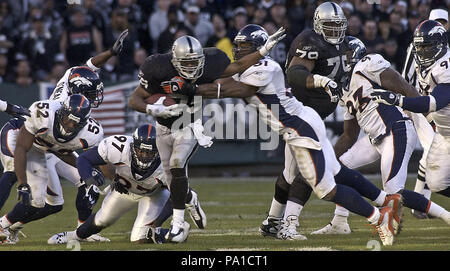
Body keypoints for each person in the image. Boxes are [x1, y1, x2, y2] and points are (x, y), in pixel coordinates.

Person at [190, 24, 399, 246]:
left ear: (259, 48)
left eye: (246, 46)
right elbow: (228, 76)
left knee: (326, 189)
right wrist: (195, 79)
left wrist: (190, 88)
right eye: (238, 46)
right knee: (332, 172)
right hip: (302, 122)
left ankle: (378, 216)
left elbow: (235, 89)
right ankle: (278, 223)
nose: (240, 50)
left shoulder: (265, 67)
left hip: (300, 128)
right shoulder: (249, 66)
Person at [127, 28, 286, 243]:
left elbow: (238, 66)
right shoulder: (156, 67)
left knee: (177, 164)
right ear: (175, 60)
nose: (192, 67)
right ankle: (190, 198)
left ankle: (177, 223)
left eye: (196, 62)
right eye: (187, 63)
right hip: (163, 128)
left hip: (190, 125)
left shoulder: (211, 61)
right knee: (171, 181)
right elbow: (134, 98)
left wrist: (264, 50)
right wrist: (153, 109)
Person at [0, 29, 129, 243]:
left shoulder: (73, 79)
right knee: (15, 172)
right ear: (78, 92)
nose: (96, 97)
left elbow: (89, 66)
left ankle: (83, 231)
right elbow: (31, 144)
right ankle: (3, 225)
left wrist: (110, 52)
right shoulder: (51, 110)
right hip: (28, 136)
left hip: (51, 145)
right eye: (91, 93)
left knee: (68, 193)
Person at [313, 36, 450, 235]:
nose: (344, 60)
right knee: (339, 169)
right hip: (375, 138)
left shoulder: (367, 64)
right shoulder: (344, 90)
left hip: (396, 130)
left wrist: (426, 114)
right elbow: (349, 135)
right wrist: (329, 158)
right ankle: (340, 222)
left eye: (347, 54)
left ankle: (446, 215)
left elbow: (403, 86)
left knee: (395, 191)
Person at [258, 1, 350, 239]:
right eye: (330, 25)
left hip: (314, 115)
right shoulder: (309, 40)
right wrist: (320, 81)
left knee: (292, 173)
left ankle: (272, 222)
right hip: (302, 115)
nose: (335, 31)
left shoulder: (342, 44)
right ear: (318, 25)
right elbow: (296, 74)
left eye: (338, 25)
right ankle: (287, 225)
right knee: (304, 173)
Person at [47, 124, 188, 244]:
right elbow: (83, 159)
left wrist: (157, 223)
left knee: (139, 238)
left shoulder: (168, 161)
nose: (144, 156)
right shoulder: (119, 147)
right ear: (133, 146)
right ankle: (74, 236)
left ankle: (175, 232)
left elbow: (181, 195)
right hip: (126, 190)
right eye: (141, 151)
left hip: (154, 195)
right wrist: (90, 183)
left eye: (150, 153)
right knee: (102, 220)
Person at [0, 94, 105, 245]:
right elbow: (22, 147)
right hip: (18, 135)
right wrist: (22, 182)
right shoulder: (45, 113)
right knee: (12, 173)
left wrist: (90, 171)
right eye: (68, 119)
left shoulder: (91, 133)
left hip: (43, 150)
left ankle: (6, 226)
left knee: (45, 203)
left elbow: (61, 151)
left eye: (75, 123)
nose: (69, 126)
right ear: (61, 112)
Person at [371, 19, 450, 199]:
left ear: (440, 44)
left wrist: (398, 100)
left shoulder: (446, 66)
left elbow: (433, 103)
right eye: (419, 47)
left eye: (426, 46)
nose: (421, 51)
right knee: (437, 182)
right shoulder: (422, 62)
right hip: (444, 133)